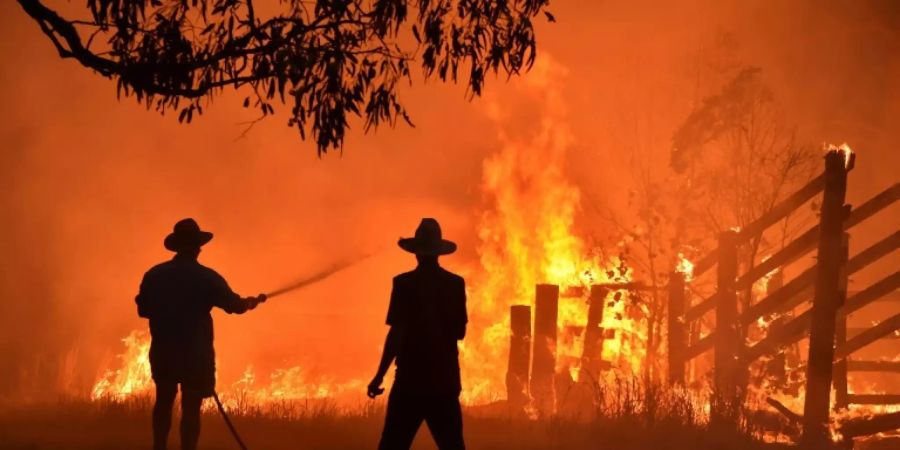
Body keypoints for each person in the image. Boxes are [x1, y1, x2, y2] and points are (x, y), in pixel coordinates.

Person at [136, 218, 266, 450]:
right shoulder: (207, 277)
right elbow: (234, 306)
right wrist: (249, 302)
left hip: (163, 350)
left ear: (176, 247)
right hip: (194, 354)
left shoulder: (154, 275)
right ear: (197, 247)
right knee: (191, 406)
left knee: (163, 401)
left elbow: (143, 310)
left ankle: (159, 447)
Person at [368, 218, 468, 450]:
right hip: (444, 382)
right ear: (438, 253)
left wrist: (379, 376)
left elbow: (396, 335)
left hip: (409, 382)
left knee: (392, 445)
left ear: (415, 253)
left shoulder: (403, 284)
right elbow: (460, 332)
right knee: (453, 446)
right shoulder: (454, 284)